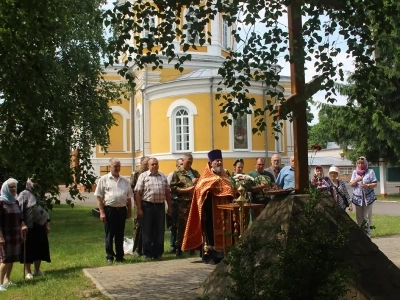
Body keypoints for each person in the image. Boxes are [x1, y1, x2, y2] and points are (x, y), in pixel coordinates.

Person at [182, 149, 236, 265]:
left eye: (221, 161)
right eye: (217, 161)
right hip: (210, 210)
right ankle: (211, 255)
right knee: (210, 233)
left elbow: (231, 190)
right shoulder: (205, 178)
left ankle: (223, 254)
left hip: (225, 211)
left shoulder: (225, 177)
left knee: (224, 231)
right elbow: (199, 190)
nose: (219, 163)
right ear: (211, 162)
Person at [94, 158, 133, 263]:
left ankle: (120, 256)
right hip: (109, 210)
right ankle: (109, 256)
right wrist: (102, 212)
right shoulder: (104, 179)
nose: (117, 168)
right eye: (115, 166)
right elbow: (99, 197)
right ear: (110, 167)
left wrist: (129, 211)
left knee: (120, 234)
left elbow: (129, 198)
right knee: (110, 234)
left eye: (118, 166)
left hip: (121, 210)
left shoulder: (125, 181)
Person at [134, 158, 172, 260]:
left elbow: (167, 192)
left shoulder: (163, 176)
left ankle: (158, 253)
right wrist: (139, 209)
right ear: (148, 166)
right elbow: (137, 193)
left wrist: (170, 207)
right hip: (147, 206)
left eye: (156, 164)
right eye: (152, 164)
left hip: (160, 206)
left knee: (160, 231)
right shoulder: (143, 176)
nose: (154, 166)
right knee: (147, 231)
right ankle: (148, 254)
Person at [18, 178, 51, 279]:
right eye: (35, 182)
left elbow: (44, 210)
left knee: (40, 247)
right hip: (29, 226)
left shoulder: (39, 195)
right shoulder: (24, 194)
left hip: (40, 225)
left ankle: (37, 270)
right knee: (28, 248)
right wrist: (22, 223)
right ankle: (28, 272)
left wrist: (47, 222)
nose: (37, 184)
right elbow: (19, 210)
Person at [0, 178, 28, 291]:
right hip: (5, 235)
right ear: (5, 188)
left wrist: (23, 225)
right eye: (10, 187)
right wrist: (0, 236)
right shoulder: (1, 202)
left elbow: (20, 217)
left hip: (15, 234)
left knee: (12, 258)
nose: (13, 189)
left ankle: (7, 280)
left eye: (14, 187)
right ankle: (0, 283)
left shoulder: (15, 201)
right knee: (5, 259)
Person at [170, 153, 200, 257]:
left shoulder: (195, 172)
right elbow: (173, 188)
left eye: (191, 162)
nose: (189, 164)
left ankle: (191, 247)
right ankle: (178, 248)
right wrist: (186, 190)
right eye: (188, 162)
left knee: (192, 225)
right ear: (183, 161)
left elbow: (201, 185)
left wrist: (198, 181)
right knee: (181, 226)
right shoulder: (177, 172)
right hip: (183, 203)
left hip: (194, 203)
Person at [349, 156, 377, 237]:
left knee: (367, 216)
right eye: (358, 163)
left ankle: (368, 234)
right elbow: (351, 184)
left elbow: (375, 184)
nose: (360, 165)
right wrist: (356, 180)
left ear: (365, 163)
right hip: (358, 198)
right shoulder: (355, 172)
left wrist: (367, 185)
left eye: (362, 163)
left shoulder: (370, 172)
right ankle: (361, 234)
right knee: (359, 216)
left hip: (368, 198)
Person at [130, 156, 149, 256]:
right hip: (139, 203)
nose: (147, 165)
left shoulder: (150, 174)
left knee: (148, 227)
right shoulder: (136, 174)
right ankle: (137, 249)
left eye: (148, 163)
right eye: (145, 163)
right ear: (141, 163)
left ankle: (147, 248)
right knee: (138, 227)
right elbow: (132, 189)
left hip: (149, 203)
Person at [167, 158, 183, 254]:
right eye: (179, 164)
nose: (181, 166)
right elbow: (168, 188)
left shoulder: (187, 174)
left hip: (185, 202)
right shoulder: (172, 175)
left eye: (182, 164)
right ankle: (173, 245)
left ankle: (184, 246)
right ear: (176, 165)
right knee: (174, 225)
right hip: (175, 202)